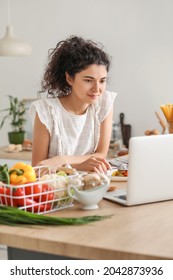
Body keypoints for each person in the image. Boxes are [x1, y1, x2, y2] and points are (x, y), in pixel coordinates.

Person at [29, 35, 117, 173]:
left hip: (91, 185)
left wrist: (63, 160)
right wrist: (76, 165)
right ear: (69, 78)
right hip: (56, 189)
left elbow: (101, 155)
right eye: (88, 80)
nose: (97, 89)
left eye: (102, 81)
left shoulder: (104, 103)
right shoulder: (46, 111)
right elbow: (38, 169)